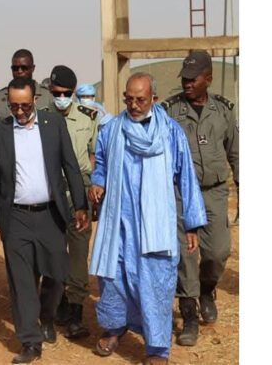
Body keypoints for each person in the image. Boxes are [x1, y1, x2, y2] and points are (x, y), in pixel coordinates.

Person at [89, 72, 207, 365]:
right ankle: (115, 328)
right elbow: (101, 162)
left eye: (140, 100)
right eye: (128, 99)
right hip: (118, 221)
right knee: (114, 278)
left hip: (155, 225)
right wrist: (98, 181)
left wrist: (192, 223)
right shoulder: (112, 129)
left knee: (155, 285)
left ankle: (157, 348)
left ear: (154, 98)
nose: (133, 105)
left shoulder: (170, 132)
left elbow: (186, 177)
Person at [0, 76, 88, 364]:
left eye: (25, 106)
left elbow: (70, 165)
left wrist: (80, 205)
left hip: (51, 215)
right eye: (14, 106)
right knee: (22, 282)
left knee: (57, 275)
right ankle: (30, 341)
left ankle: (46, 317)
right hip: (16, 218)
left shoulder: (54, 125)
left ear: (36, 101)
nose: (19, 111)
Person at [161, 50, 239, 346]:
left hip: (214, 192)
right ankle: (189, 314)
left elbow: (236, 153)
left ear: (209, 78)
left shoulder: (223, 111)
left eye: (194, 79)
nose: (187, 83)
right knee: (185, 255)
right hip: (181, 193)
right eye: (185, 78)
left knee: (217, 252)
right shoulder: (170, 111)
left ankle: (207, 290)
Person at [38, 65, 100, 341]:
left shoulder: (89, 117)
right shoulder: (41, 117)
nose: (61, 98)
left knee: (77, 252)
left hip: (79, 192)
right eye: (56, 93)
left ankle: (75, 311)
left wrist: (93, 191)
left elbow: (95, 155)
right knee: (52, 251)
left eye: (66, 93)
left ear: (73, 93)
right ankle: (56, 303)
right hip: (51, 192)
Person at [0, 49, 54, 127]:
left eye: (24, 68)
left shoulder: (47, 96)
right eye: (15, 68)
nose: (20, 71)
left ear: (33, 68)